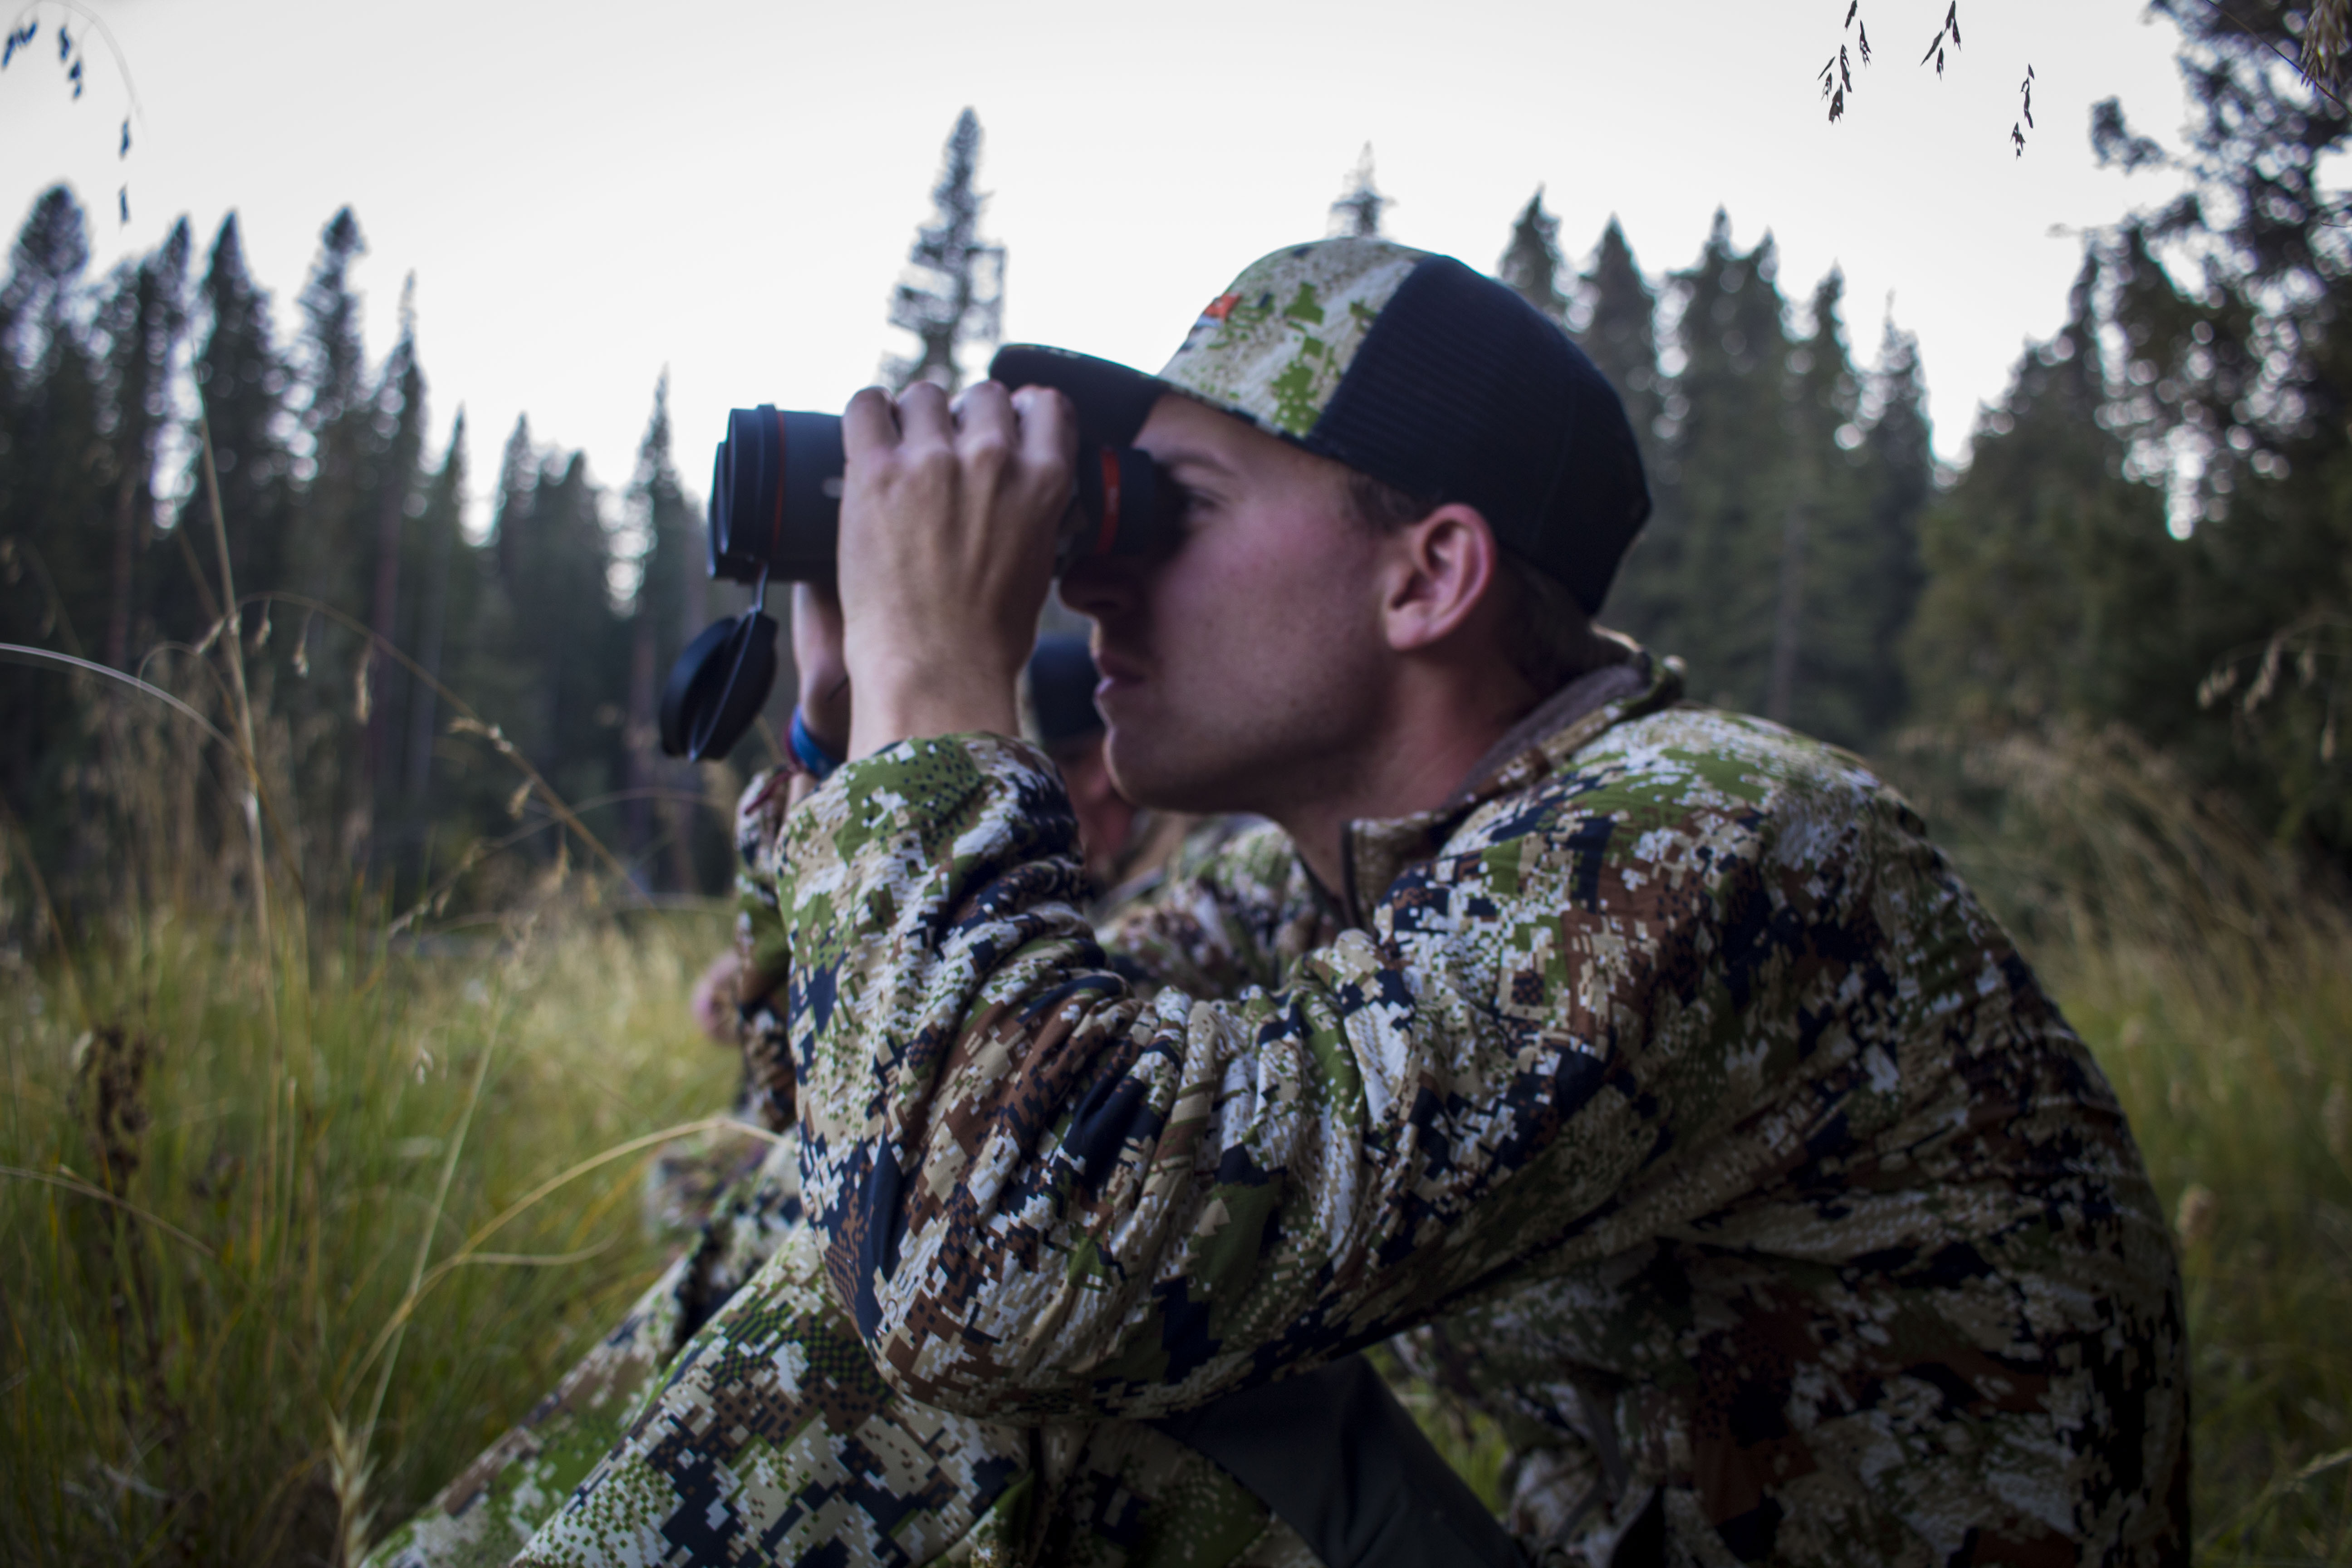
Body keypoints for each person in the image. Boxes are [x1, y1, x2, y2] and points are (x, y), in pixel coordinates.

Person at [368, 237, 2185, 1567]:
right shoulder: (1322, 875)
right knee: (829, 1239)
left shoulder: (1705, 844)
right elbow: (861, 1157)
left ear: (1428, 578)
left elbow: (995, 1271)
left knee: (1004, 1370)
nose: (1094, 583)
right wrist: (858, 755)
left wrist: (945, 720)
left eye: (1167, 511)